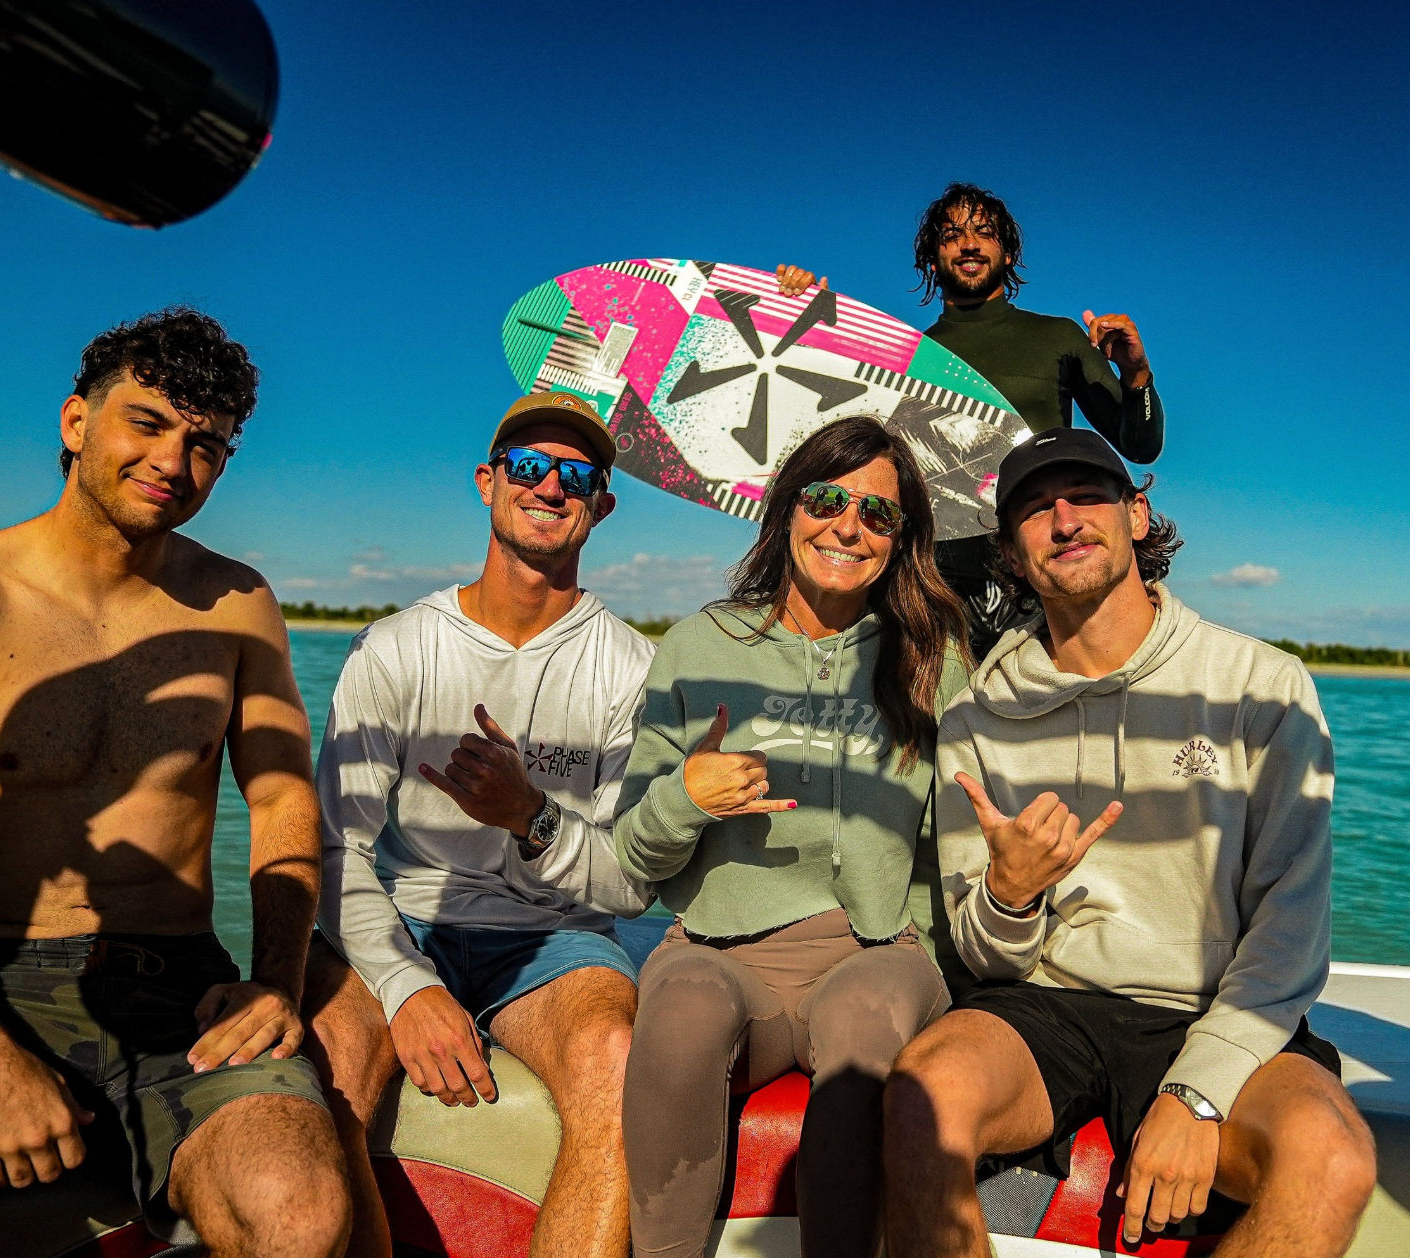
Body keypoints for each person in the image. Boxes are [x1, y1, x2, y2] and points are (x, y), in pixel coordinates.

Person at [0, 308, 351, 1257]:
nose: (173, 460)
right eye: (145, 422)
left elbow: (279, 798)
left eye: (206, 444)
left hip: (183, 991)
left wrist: (272, 980)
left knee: (300, 1209)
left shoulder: (240, 604)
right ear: (77, 422)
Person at [882, 428, 1377, 1258]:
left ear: (1138, 515)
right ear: (1010, 551)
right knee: (923, 1096)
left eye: (1087, 496)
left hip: (1218, 1006)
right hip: (1049, 1004)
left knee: (1332, 1159)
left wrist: (1197, 1091)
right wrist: (1008, 896)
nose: (1064, 518)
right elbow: (987, 957)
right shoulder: (977, 715)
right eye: (1035, 510)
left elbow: (1291, 931)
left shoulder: (1261, 684)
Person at [304, 391, 654, 1258]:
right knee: (324, 1077)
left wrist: (529, 816)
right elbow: (331, 847)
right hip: (403, 914)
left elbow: (628, 881)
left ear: (602, 505)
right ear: (488, 483)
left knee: (618, 1064)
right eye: (529, 467)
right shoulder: (392, 648)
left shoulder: (633, 669)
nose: (550, 487)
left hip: (554, 935)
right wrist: (404, 985)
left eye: (577, 476)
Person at [615, 414, 970, 1258]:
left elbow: (963, 841)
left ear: (901, 538)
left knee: (861, 1023)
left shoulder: (934, 656)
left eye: (878, 514)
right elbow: (633, 859)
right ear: (787, 510)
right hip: (718, 945)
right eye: (826, 498)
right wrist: (687, 797)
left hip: (877, 947)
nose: (848, 525)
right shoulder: (700, 644)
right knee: (683, 1016)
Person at [777, 181, 1165, 656]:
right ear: (932, 257)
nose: (968, 243)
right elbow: (835, 440)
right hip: (931, 577)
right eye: (951, 234)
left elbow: (1141, 445)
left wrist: (1136, 374)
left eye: (984, 231)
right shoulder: (907, 359)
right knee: (937, 725)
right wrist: (802, 320)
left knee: (1045, 720)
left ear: (1006, 252)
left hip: (1035, 572)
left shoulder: (1055, 338)